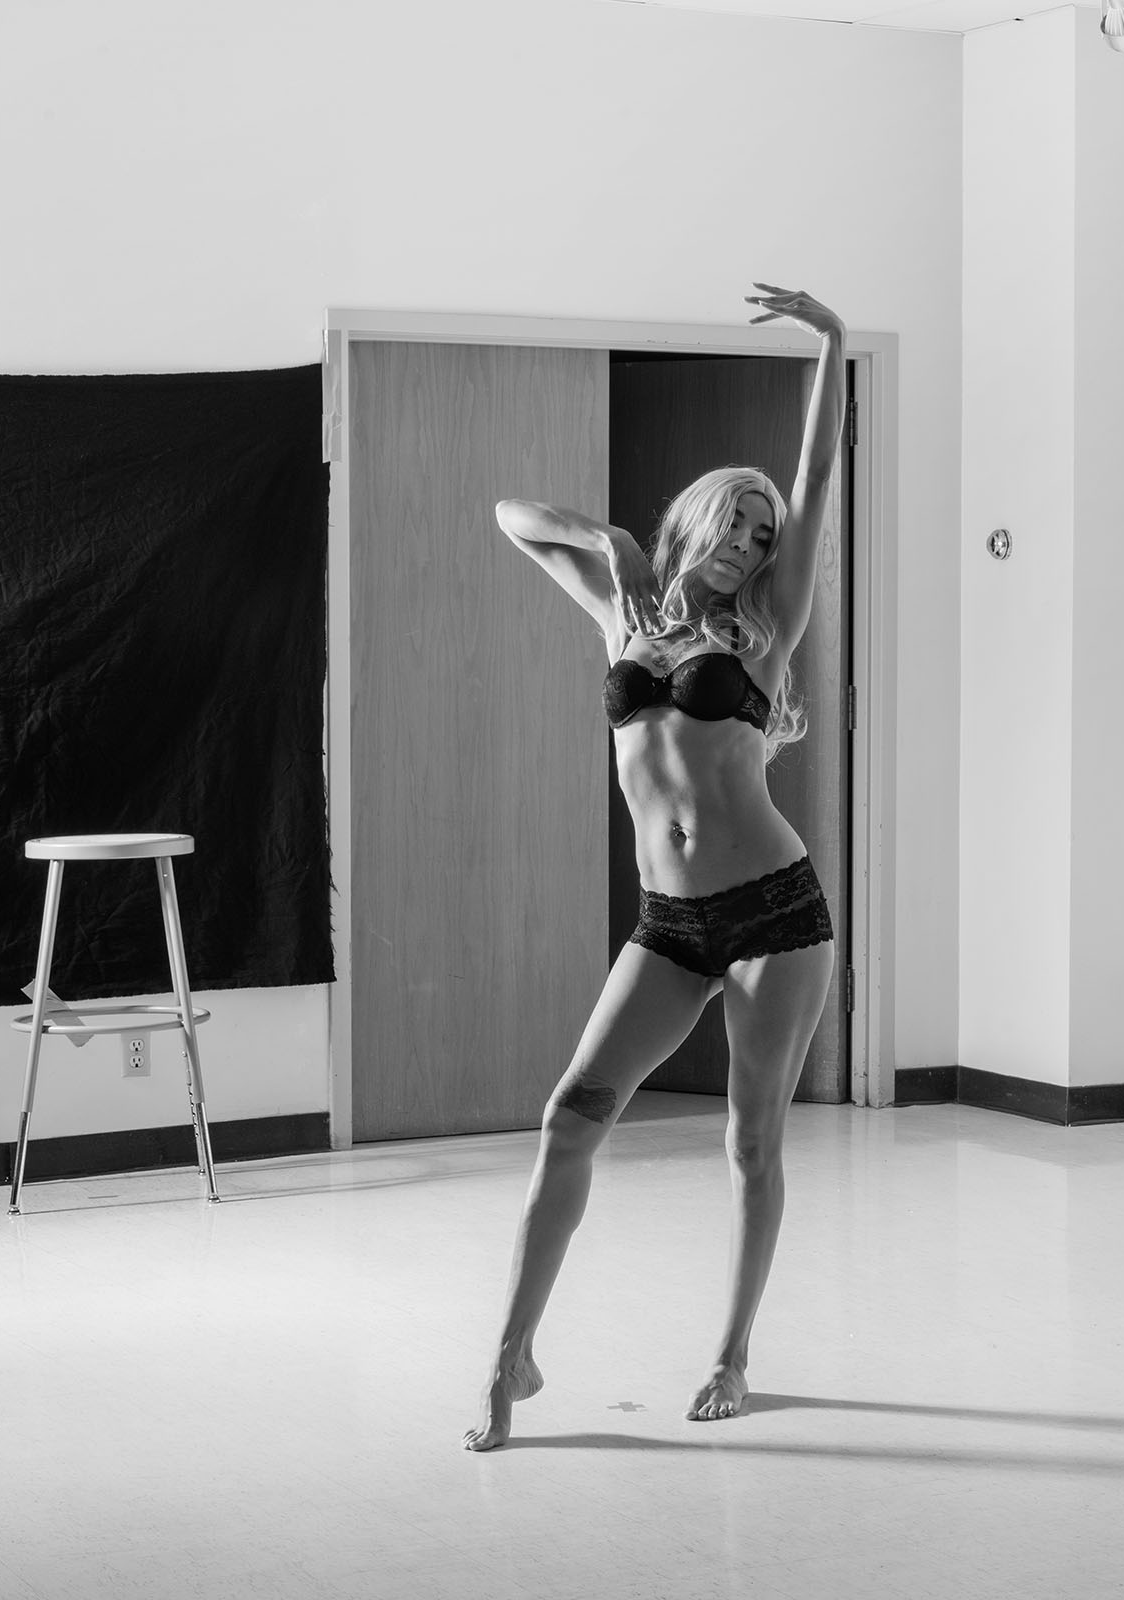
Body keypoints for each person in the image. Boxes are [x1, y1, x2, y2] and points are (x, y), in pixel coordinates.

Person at [463, 285, 845, 1449]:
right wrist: (610, 540)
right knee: (572, 1110)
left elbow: (816, 475)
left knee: (749, 1139)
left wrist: (832, 340)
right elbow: (506, 514)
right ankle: (510, 1355)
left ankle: (732, 1354)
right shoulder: (620, 613)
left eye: (763, 535)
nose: (749, 543)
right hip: (667, 922)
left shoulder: (765, 629)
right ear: (694, 523)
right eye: (735, 522)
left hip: (774, 914)